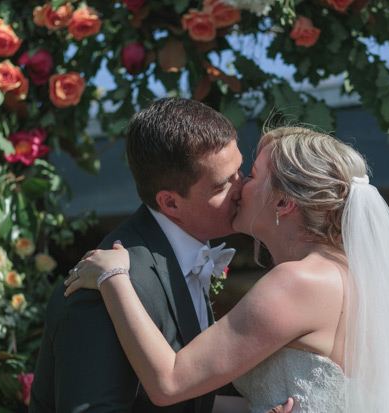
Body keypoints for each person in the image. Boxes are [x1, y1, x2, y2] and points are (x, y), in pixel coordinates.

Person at [64, 126, 389, 412]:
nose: (239, 185)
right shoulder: (344, 277)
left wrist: (113, 278)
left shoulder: (298, 282)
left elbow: (170, 382)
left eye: (253, 175)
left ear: (282, 203)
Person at [30, 98, 292, 412]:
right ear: (170, 204)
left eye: (239, 171)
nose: (243, 187)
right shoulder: (101, 287)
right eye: (223, 184)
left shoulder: (183, 258)